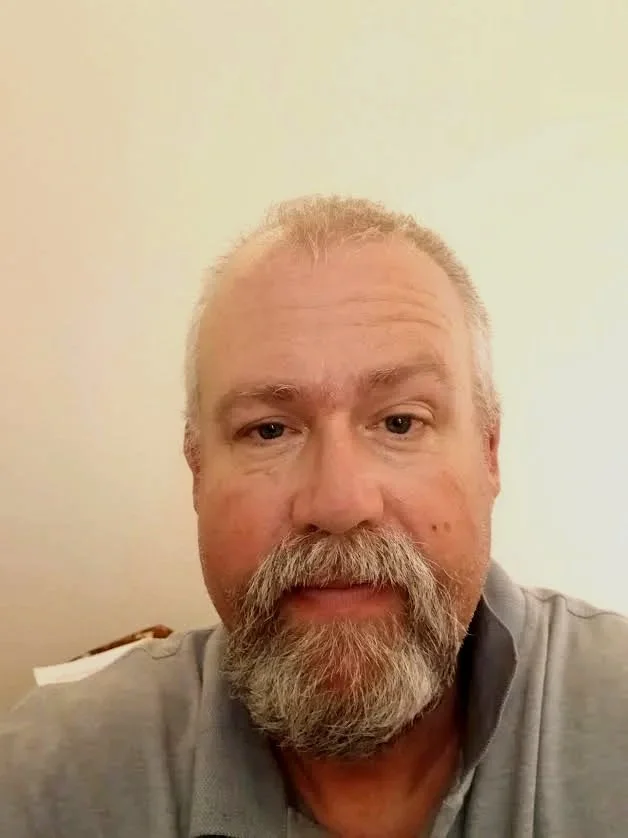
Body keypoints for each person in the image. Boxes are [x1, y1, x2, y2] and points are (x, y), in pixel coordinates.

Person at [1, 196, 627, 838]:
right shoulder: (47, 779)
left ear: (490, 454)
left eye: (400, 421)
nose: (338, 503)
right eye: (269, 430)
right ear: (197, 473)